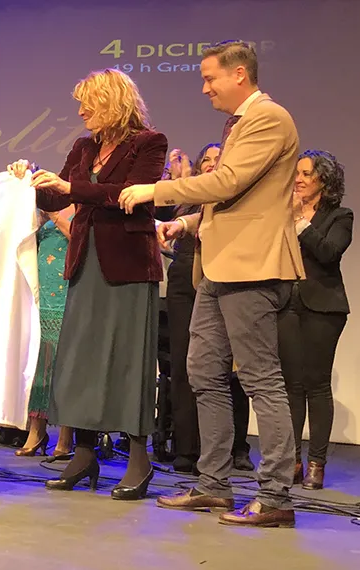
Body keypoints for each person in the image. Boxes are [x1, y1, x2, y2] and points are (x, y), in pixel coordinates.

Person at [120, 40, 304, 526]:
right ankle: (214, 485)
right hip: (220, 267)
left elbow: (226, 184)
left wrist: (155, 190)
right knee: (202, 372)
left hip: (253, 268)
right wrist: (184, 225)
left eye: (210, 78)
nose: (204, 88)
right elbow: (237, 202)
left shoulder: (268, 118)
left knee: (262, 379)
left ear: (239, 74)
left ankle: (277, 496)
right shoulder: (239, 123)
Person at [7, 68, 167, 500]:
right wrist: (30, 179)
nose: (80, 112)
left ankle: (139, 460)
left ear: (112, 103)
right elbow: (58, 197)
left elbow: (131, 193)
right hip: (85, 263)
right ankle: (83, 453)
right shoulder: (84, 147)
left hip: (129, 267)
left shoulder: (149, 144)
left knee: (128, 363)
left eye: (88, 103)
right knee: (79, 361)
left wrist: (72, 186)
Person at [157, 143, 254, 475]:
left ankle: (233, 448)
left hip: (223, 275)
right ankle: (187, 448)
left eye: (218, 160)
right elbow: (166, 217)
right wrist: (176, 178)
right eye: (206, 162)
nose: (211, 165)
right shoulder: (192, 198)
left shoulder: (230, 193)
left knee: (228, 367)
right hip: (185, 277)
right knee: (186, 363)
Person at [279, 150, 353, 490]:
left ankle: (317, 464)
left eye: (306, 173)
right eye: (297, 173)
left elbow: (328, 253)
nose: (298, 179)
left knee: (317, 385)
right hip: (286, 304)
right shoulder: (280, 213)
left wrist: (299, 223)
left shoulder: (340, 216)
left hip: (323, 307)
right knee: (291, 385)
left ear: (323, 179)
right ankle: (292, 460)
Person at [16, 205, 77, 457]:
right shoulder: (50, 207)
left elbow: (78, 236)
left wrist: (54, 215)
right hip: (42, 292)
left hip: (69, 291)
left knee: (67, 364)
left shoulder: (85, 205)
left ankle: (66, 436)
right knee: (41, 361)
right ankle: (36, 430)